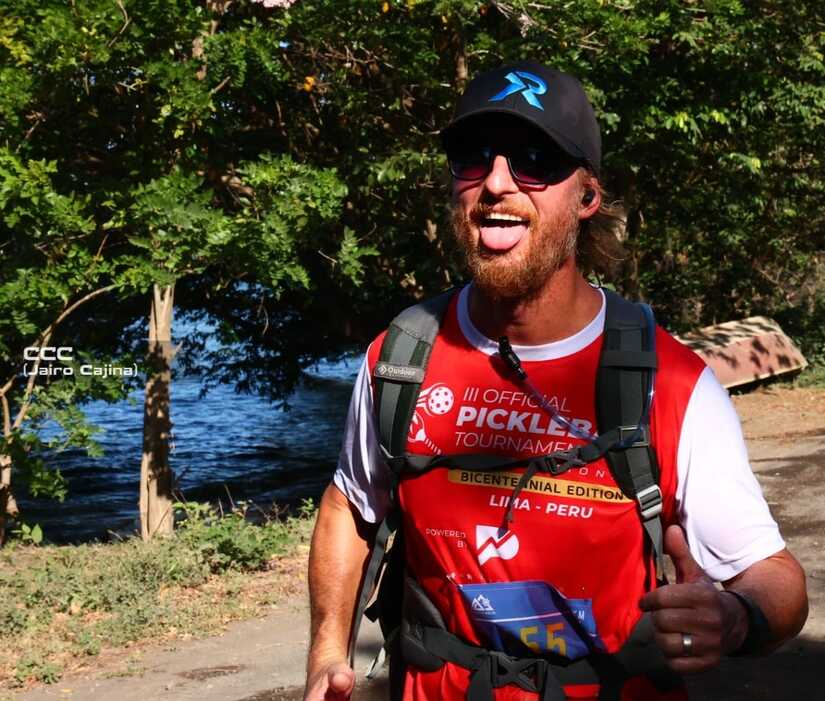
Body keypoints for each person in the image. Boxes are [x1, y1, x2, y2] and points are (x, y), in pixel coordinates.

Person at [303, 61, 808, 701]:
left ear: (588, 197)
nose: (496, 183)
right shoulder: (402, 357)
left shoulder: (672, 381)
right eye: (474, 157)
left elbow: (776, 580)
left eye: (535, 160)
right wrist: (326, 652)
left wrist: (735, 618)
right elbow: (350, 504)